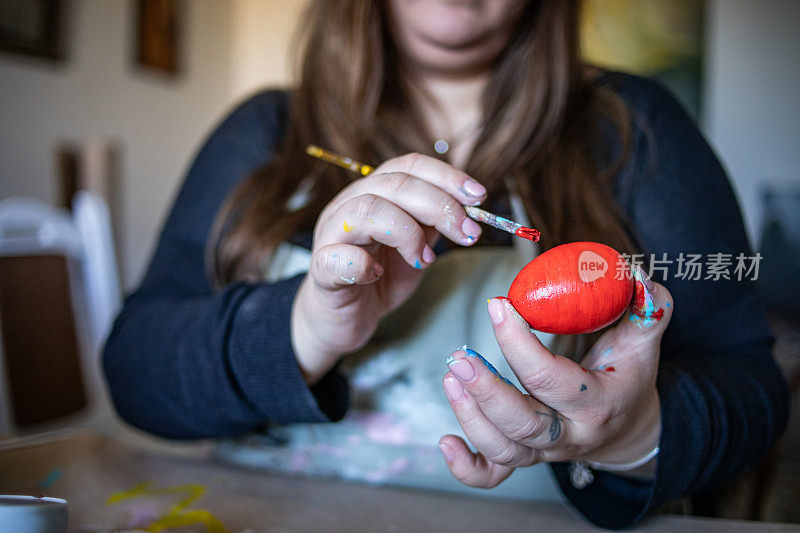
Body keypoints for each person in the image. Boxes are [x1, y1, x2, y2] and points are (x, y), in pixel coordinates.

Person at [103, 0, 789, 528]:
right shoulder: (269, 133)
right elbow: (133, 368)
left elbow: (752, 385)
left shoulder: (633, 127)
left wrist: (636, 434)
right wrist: (306, 326)